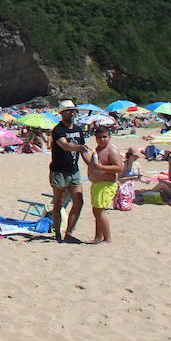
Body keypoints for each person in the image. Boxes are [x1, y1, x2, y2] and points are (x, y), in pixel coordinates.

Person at [48, 101, 87, 243]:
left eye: (73, 111)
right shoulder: (58, 130)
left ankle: (69, 232)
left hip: (73, 170)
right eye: (68, 111)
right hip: (59, 171)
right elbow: (64, 145)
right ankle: (57, 233)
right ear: (62, 113)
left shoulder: (78, 129)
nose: (72, 113)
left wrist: (92, 164)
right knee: (58, 202)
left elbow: (84, 151)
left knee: (79, 201)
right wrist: (80, 148)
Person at [82, 125, 123, 243]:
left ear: (109, 137)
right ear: (96, 138)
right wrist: (83, 152)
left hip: (107, 184)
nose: (102, 139)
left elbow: (119, 167)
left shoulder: (111, 150)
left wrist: (102, 168)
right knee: (96, 211)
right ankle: (98, 237)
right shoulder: (97, 149)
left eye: (105, 137)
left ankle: (107, 238)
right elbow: (91, 164)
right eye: (99, 137)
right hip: (97, 184)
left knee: (99, 210)